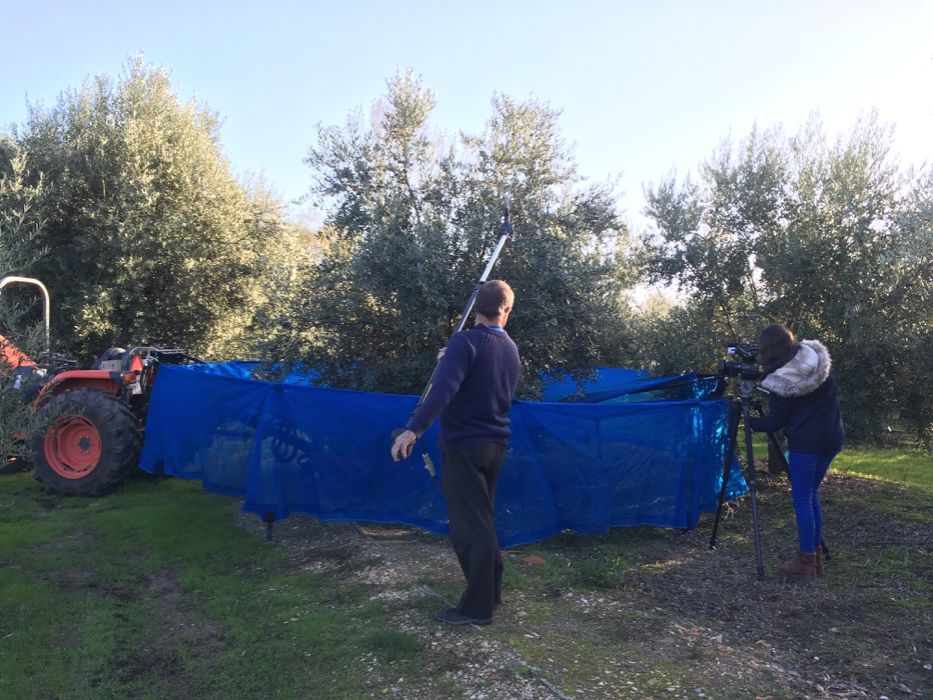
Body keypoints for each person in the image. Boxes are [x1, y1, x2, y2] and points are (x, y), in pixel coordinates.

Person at [391, 280, 521, 625]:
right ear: (505, 310)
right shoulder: (510, 348)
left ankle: (476, 610)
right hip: (496, 446)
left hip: (464, 446)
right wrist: (452, 360)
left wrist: (413, 429)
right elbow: (483, 381)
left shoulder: (464, 342)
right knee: (483, 521)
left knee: (469, 529)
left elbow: (442, 392)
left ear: (476, 307)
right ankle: (491, 592)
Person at [748, 324, 845, 579]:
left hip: (807, 443)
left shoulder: (781, 380)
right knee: (811, 494)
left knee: (803, 497)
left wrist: (745, 419)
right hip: (832, 437)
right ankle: (815, 558)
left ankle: (805, 561)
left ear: (768, 349)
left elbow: (774, 423)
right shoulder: (815, 358)